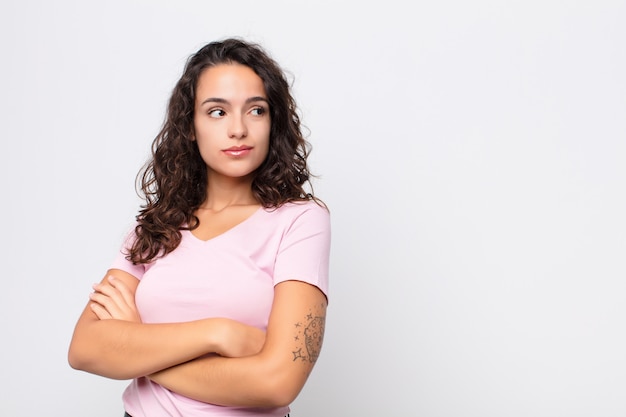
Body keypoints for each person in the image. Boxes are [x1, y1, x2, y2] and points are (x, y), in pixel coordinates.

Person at [68, 37, 331, 417]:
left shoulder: (301, 221)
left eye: (255, 110)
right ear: (190, 125)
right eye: (217, 112)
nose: (238, 129)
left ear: (273, 122)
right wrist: (218, 333)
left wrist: (136, 346)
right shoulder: (157, 225)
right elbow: (85, 349)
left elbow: (278, 383)